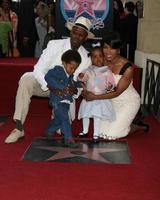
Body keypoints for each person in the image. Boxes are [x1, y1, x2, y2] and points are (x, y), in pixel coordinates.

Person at [5, 16, 94, 144]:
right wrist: (51, 86)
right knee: (26, 78)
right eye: (75, 32)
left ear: (85, 38)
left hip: (64, 94)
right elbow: (39, 68)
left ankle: (55, 119)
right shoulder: (54, 45)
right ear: (71, 32)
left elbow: (79, 84)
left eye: (81, 35)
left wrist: (74, 90)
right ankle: (19, 128)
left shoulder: (86, 58)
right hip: (46, 85)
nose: (76, 36)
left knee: (61, 129)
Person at [82, 32, 141, 140]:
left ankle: (137, 126)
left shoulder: (127, 68)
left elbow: (117, 92)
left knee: (112, 135)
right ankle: (126, 122)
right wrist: (85, 89)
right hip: (108, 102)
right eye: (105, 47)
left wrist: (94, 97)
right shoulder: (101, 60)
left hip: (127, 102)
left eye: (112, 48)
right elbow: (90, 76)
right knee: (100, 132)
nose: (108, 52)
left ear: (118, 50)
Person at [44, 49, 82, 148]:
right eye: (71, 67)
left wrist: (79, 84)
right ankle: (68, 139)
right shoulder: (58, 70)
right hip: (57, 100)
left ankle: (49, 130)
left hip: (65, 101)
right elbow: (48, 77)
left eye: (75, 68)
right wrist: (60, 87)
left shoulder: (70, 75)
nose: (73, 70)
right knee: (65, 118)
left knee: (59, 119)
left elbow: (73, 84)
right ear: (64, 63)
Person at [77, 46, 116, 141]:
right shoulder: (88, 70)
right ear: (91, 59)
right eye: (94, 57)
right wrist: (81, 76)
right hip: (89, 96)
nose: (97, 59)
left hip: (100, 97)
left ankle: (96, 133)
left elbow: (112, 82)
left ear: (103, 58)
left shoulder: (107, 71)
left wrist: (110, 86)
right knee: (85, 115)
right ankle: (85, 131)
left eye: (100, 56)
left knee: (97, 116)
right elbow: (82, 78)